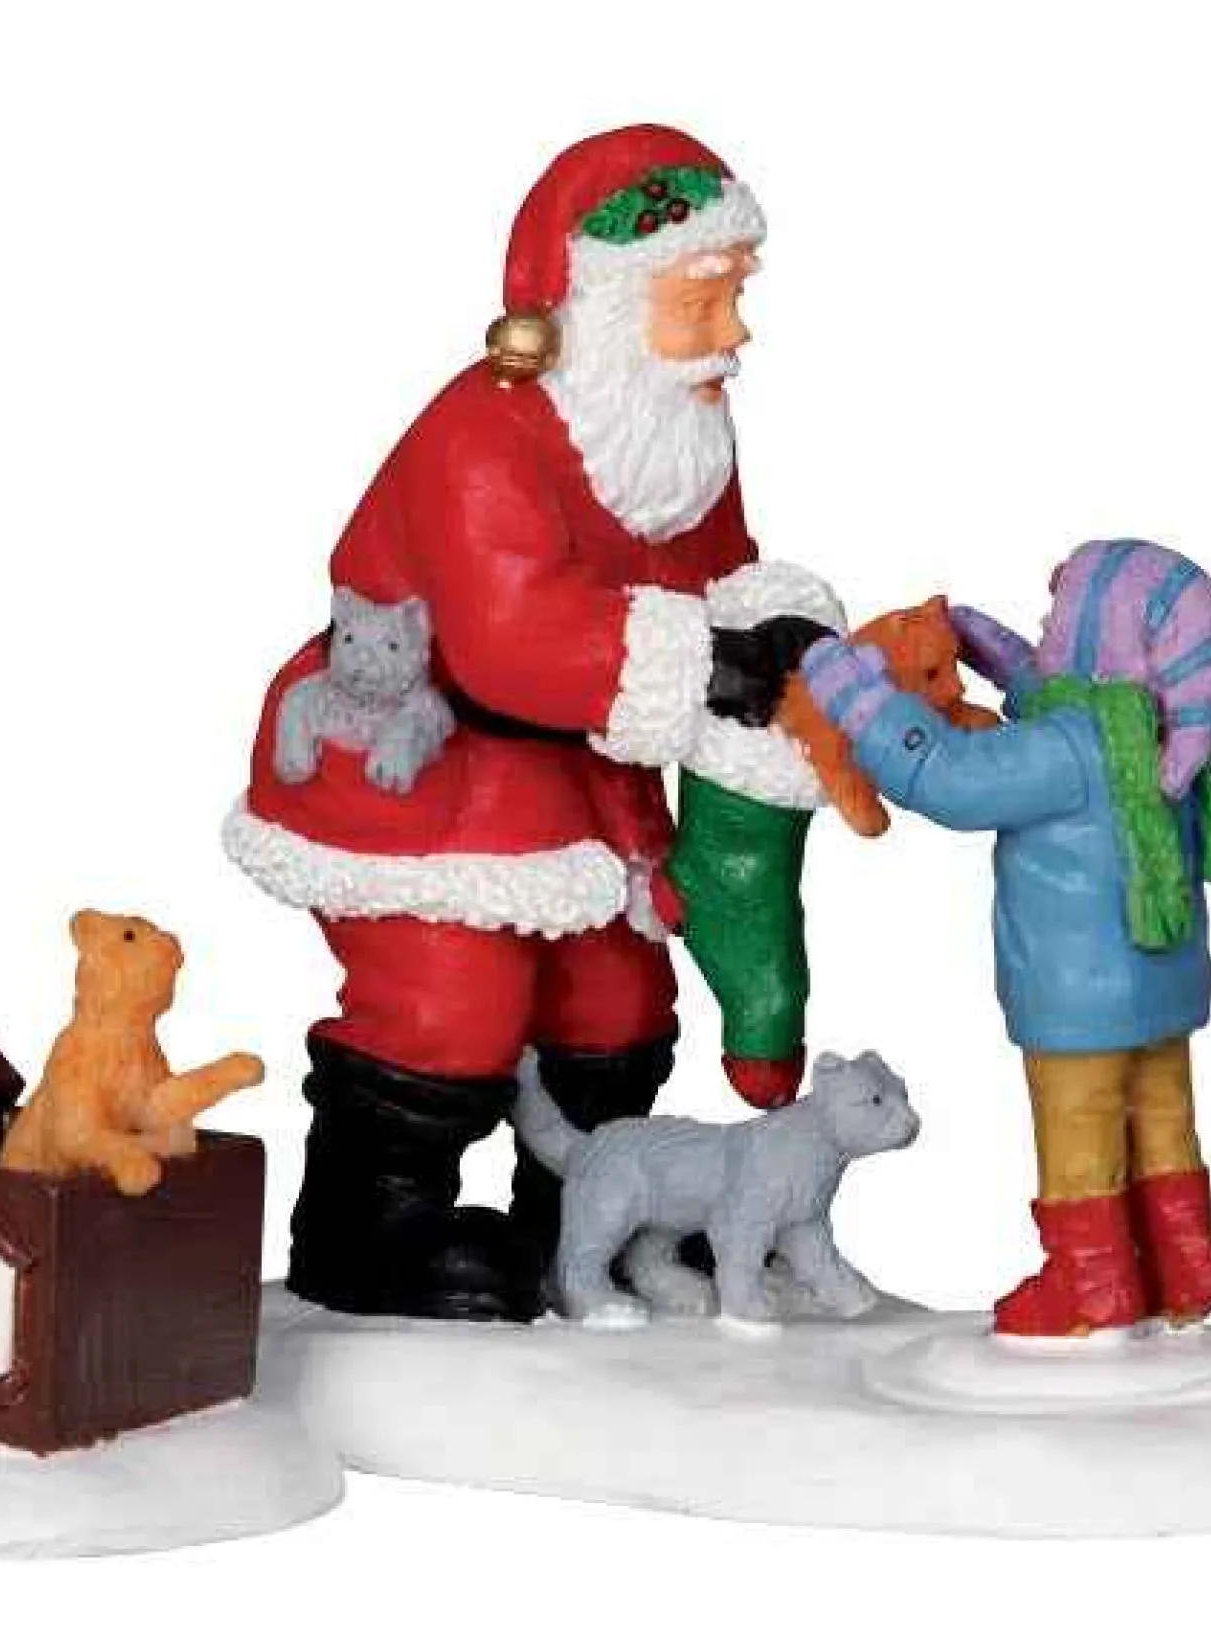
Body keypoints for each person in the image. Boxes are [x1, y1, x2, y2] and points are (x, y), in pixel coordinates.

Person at [225, 125, 829, 1321]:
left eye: (733, 297)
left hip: (584, 773)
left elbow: (715, 575)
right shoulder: (478, 436)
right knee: (448, 997)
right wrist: (712, 665)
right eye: (699, 303)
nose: (733, 334)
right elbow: (509, 637)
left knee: (615, 1001)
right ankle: (366, 1230)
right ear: (600, 307)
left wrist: (779, 648)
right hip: (424, 760)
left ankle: (580, 1230)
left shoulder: (673, 432)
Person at [800, 540, 1211, 1337]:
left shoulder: (1072, 745)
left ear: (1102, 630)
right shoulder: (1154, 730)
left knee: (1080, 1131)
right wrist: (1007, 661)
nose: (1047, 619)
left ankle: (1091, 1287)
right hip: (1163, 991)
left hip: (1078, 1001)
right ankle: (1184, 1264)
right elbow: (1061, 705)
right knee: (1162, 1117)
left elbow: (956, 778)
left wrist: (862, 703)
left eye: (1061, 610)